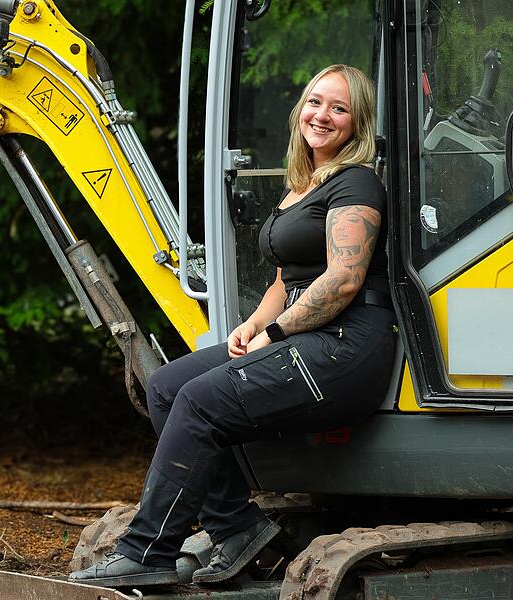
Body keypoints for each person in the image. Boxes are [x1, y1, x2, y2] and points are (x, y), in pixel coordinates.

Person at [69, 64, 397, 588]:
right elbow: (284, 282)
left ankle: (147, 550)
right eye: (316, 102)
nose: (323, 115)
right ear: (300, 110)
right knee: (166, 387)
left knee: (199, 402)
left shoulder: (356, 183)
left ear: (357, 123)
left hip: (343, 345)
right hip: (302, 333)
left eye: (340, 108)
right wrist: (251, 326)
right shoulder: (302, 186)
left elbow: (341, 281)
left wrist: (276, 334)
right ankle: (237, 527)